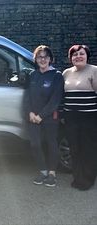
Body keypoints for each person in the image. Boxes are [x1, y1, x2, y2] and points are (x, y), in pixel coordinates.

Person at [27, 45, 64, 187]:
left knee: (51, 144)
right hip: (33, 117)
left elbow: (55, 100)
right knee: (35, 144)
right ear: (35, 59)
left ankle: (52, 173)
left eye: (45, 57)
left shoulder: (56, 76)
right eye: (39, 57)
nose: (42, 59)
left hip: (49, 117)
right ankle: (43, 171)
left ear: (50, 59)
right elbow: (28, 97)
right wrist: (30, 112)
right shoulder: (33, 75)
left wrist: (41, 116)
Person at [63, 45, 97, 191]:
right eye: (74, 54)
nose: (78, 56)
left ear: (87, 55)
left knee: (88, 149)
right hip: (71, 117)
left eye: (81, 54)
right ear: (71, 58)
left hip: (89, 117)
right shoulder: (66, 73)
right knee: (75, 149)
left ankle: (88, 179)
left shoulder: (94, 70)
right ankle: (77, 177)